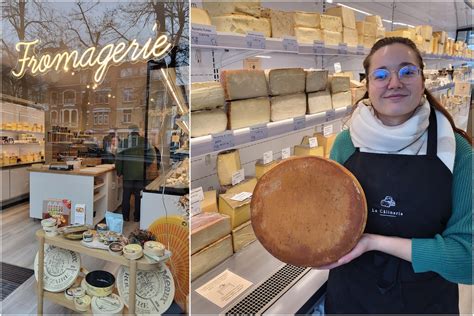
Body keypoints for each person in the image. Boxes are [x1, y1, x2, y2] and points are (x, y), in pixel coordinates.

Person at [323, 37, 472, 314]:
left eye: (407, 71)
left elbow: (468, 261)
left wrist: (374, 242)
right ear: (367, 85)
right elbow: (329, 224)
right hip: (351, 297)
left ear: (422, 79)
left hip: (423, 302)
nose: (394, 82)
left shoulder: (456, 150)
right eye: (380, 75)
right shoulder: (345, 143)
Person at [115, 125, 155, 222]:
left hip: (128, 174)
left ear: (129, 131)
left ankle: (125, 217)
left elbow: (118, 159)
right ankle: (137, 217)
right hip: (140, 174)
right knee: (138, 196)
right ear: (138, 131)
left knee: (126, 196)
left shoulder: (124, 142)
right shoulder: (144, 141)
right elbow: (152, 155)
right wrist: (145, 165)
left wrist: (119, 172)